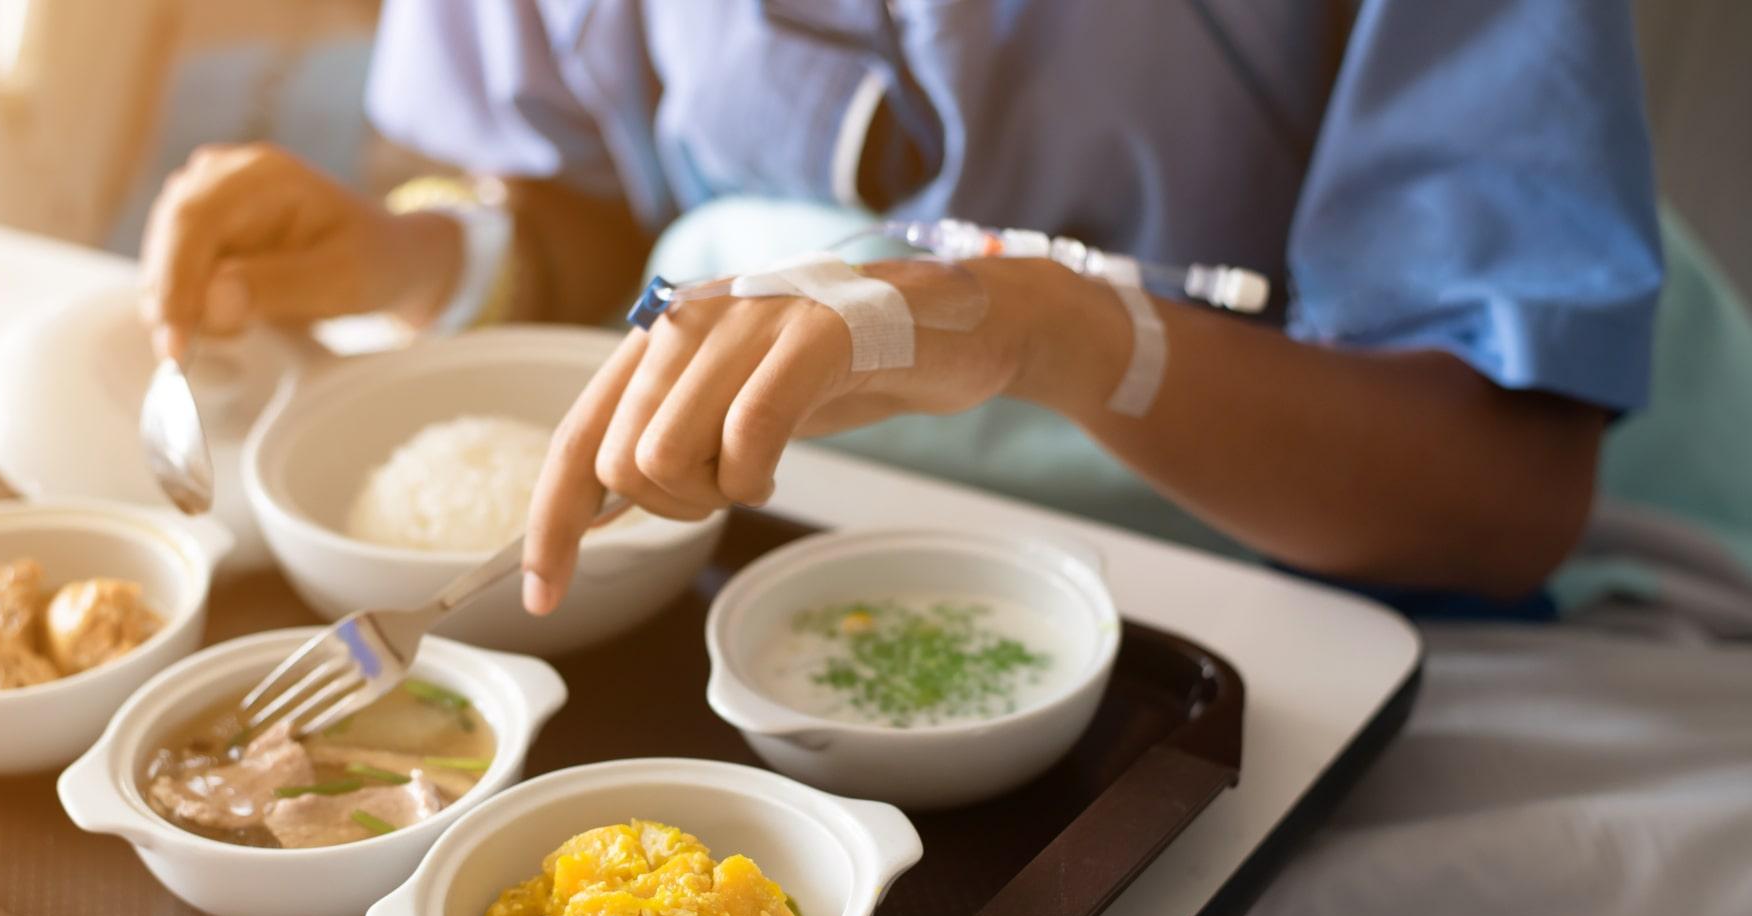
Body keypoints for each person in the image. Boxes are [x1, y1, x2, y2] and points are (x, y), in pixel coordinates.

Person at [140, 0, 1659, 618]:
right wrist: (419, 263)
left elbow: (1497, 490)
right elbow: (600, 207)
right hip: (810, 583)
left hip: (1310, 602)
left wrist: (1052, 329)